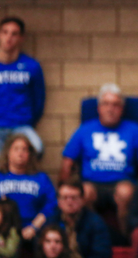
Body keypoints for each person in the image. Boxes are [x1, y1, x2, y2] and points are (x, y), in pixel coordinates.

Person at [59, 83, 138, 235]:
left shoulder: (134, 130)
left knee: (125, 192)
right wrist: (64, 188)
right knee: (83, 192)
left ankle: (125, 237)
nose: (110, 109)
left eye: (115, 105)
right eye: (106, 104)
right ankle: (94, 234)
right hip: (92, 183)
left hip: (122, 182)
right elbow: (67, 161)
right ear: (99, 108)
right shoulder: (85, 130)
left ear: (122, 109)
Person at [0, 134, 57, 253]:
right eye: (16, 149)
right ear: (8, 153)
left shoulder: (41, 178)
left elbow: (51, 204)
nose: (20, 153)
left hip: (34, 227)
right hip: (4, 229)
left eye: (24, 149)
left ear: (30, 154)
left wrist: (34, 227)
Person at [0, 16, 45, 155]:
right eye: (5, 32)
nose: (9, 37)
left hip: (21, 126)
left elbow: (39, 99)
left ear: (21, 38)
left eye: (14, 34)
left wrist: (30, 120)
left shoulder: (32, 66)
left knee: (37, 148)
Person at [46, 177, 112, 258]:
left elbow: (102, 254)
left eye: (73, 198)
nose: (69, 202)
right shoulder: (51, 221)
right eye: (65, 197)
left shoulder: (96, 223)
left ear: (83, 200)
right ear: (58, 201)